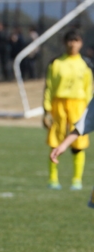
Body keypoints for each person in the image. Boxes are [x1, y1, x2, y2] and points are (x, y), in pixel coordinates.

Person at [43, 29, 93, 191]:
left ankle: (77, 180)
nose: (73, 44)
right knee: (56, 140)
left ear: (81, 43)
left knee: (78, 142)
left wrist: (88, 108)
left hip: (79, 105)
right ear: (65, 43)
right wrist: (46, 110)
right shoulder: (56, 63)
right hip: (59, 105)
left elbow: (89, 88)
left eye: (76, 41)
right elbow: (49, 87)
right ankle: (53, 179)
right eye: (70, 41)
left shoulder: (86, 64)